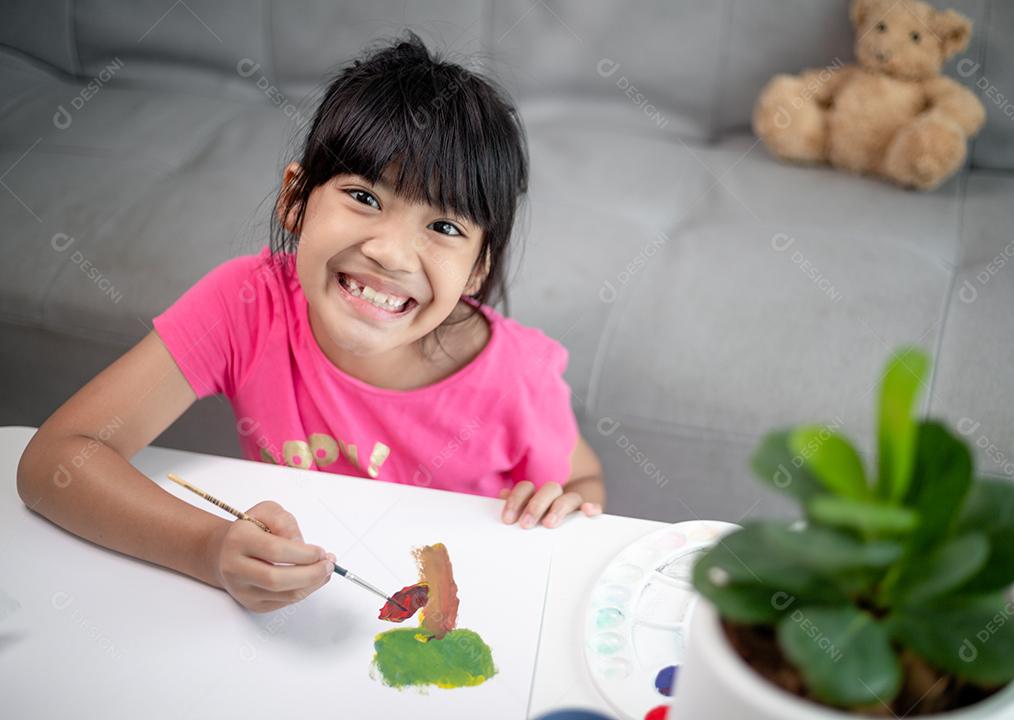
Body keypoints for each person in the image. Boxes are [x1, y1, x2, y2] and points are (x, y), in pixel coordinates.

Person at [16, 33, 605, 613]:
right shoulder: (245, 303)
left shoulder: (518, 377)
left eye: (445, 227)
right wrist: (209, 548)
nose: (392, 254)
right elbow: (54, 463)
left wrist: (562, 505)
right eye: (364, 197)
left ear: (478, 268)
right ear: (296, 199)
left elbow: (584, 486)